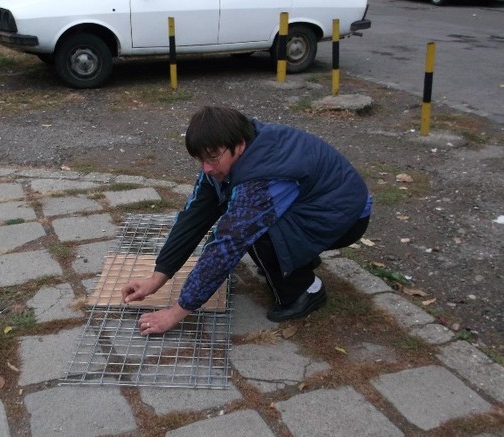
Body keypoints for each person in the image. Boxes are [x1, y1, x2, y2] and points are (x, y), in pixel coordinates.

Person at [121, 106, 372, 336]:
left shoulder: (261, 178)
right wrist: (158, 276)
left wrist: (176, 312)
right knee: (248, 221)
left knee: (258, 233)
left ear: (238, 146)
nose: (206, 168)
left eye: (212, 158)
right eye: (200, 159)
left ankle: (306, 290)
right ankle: (297, 258)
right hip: (318, 204)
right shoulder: (228, 149)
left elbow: (226, 245)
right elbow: (194, 215)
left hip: (345, 218)